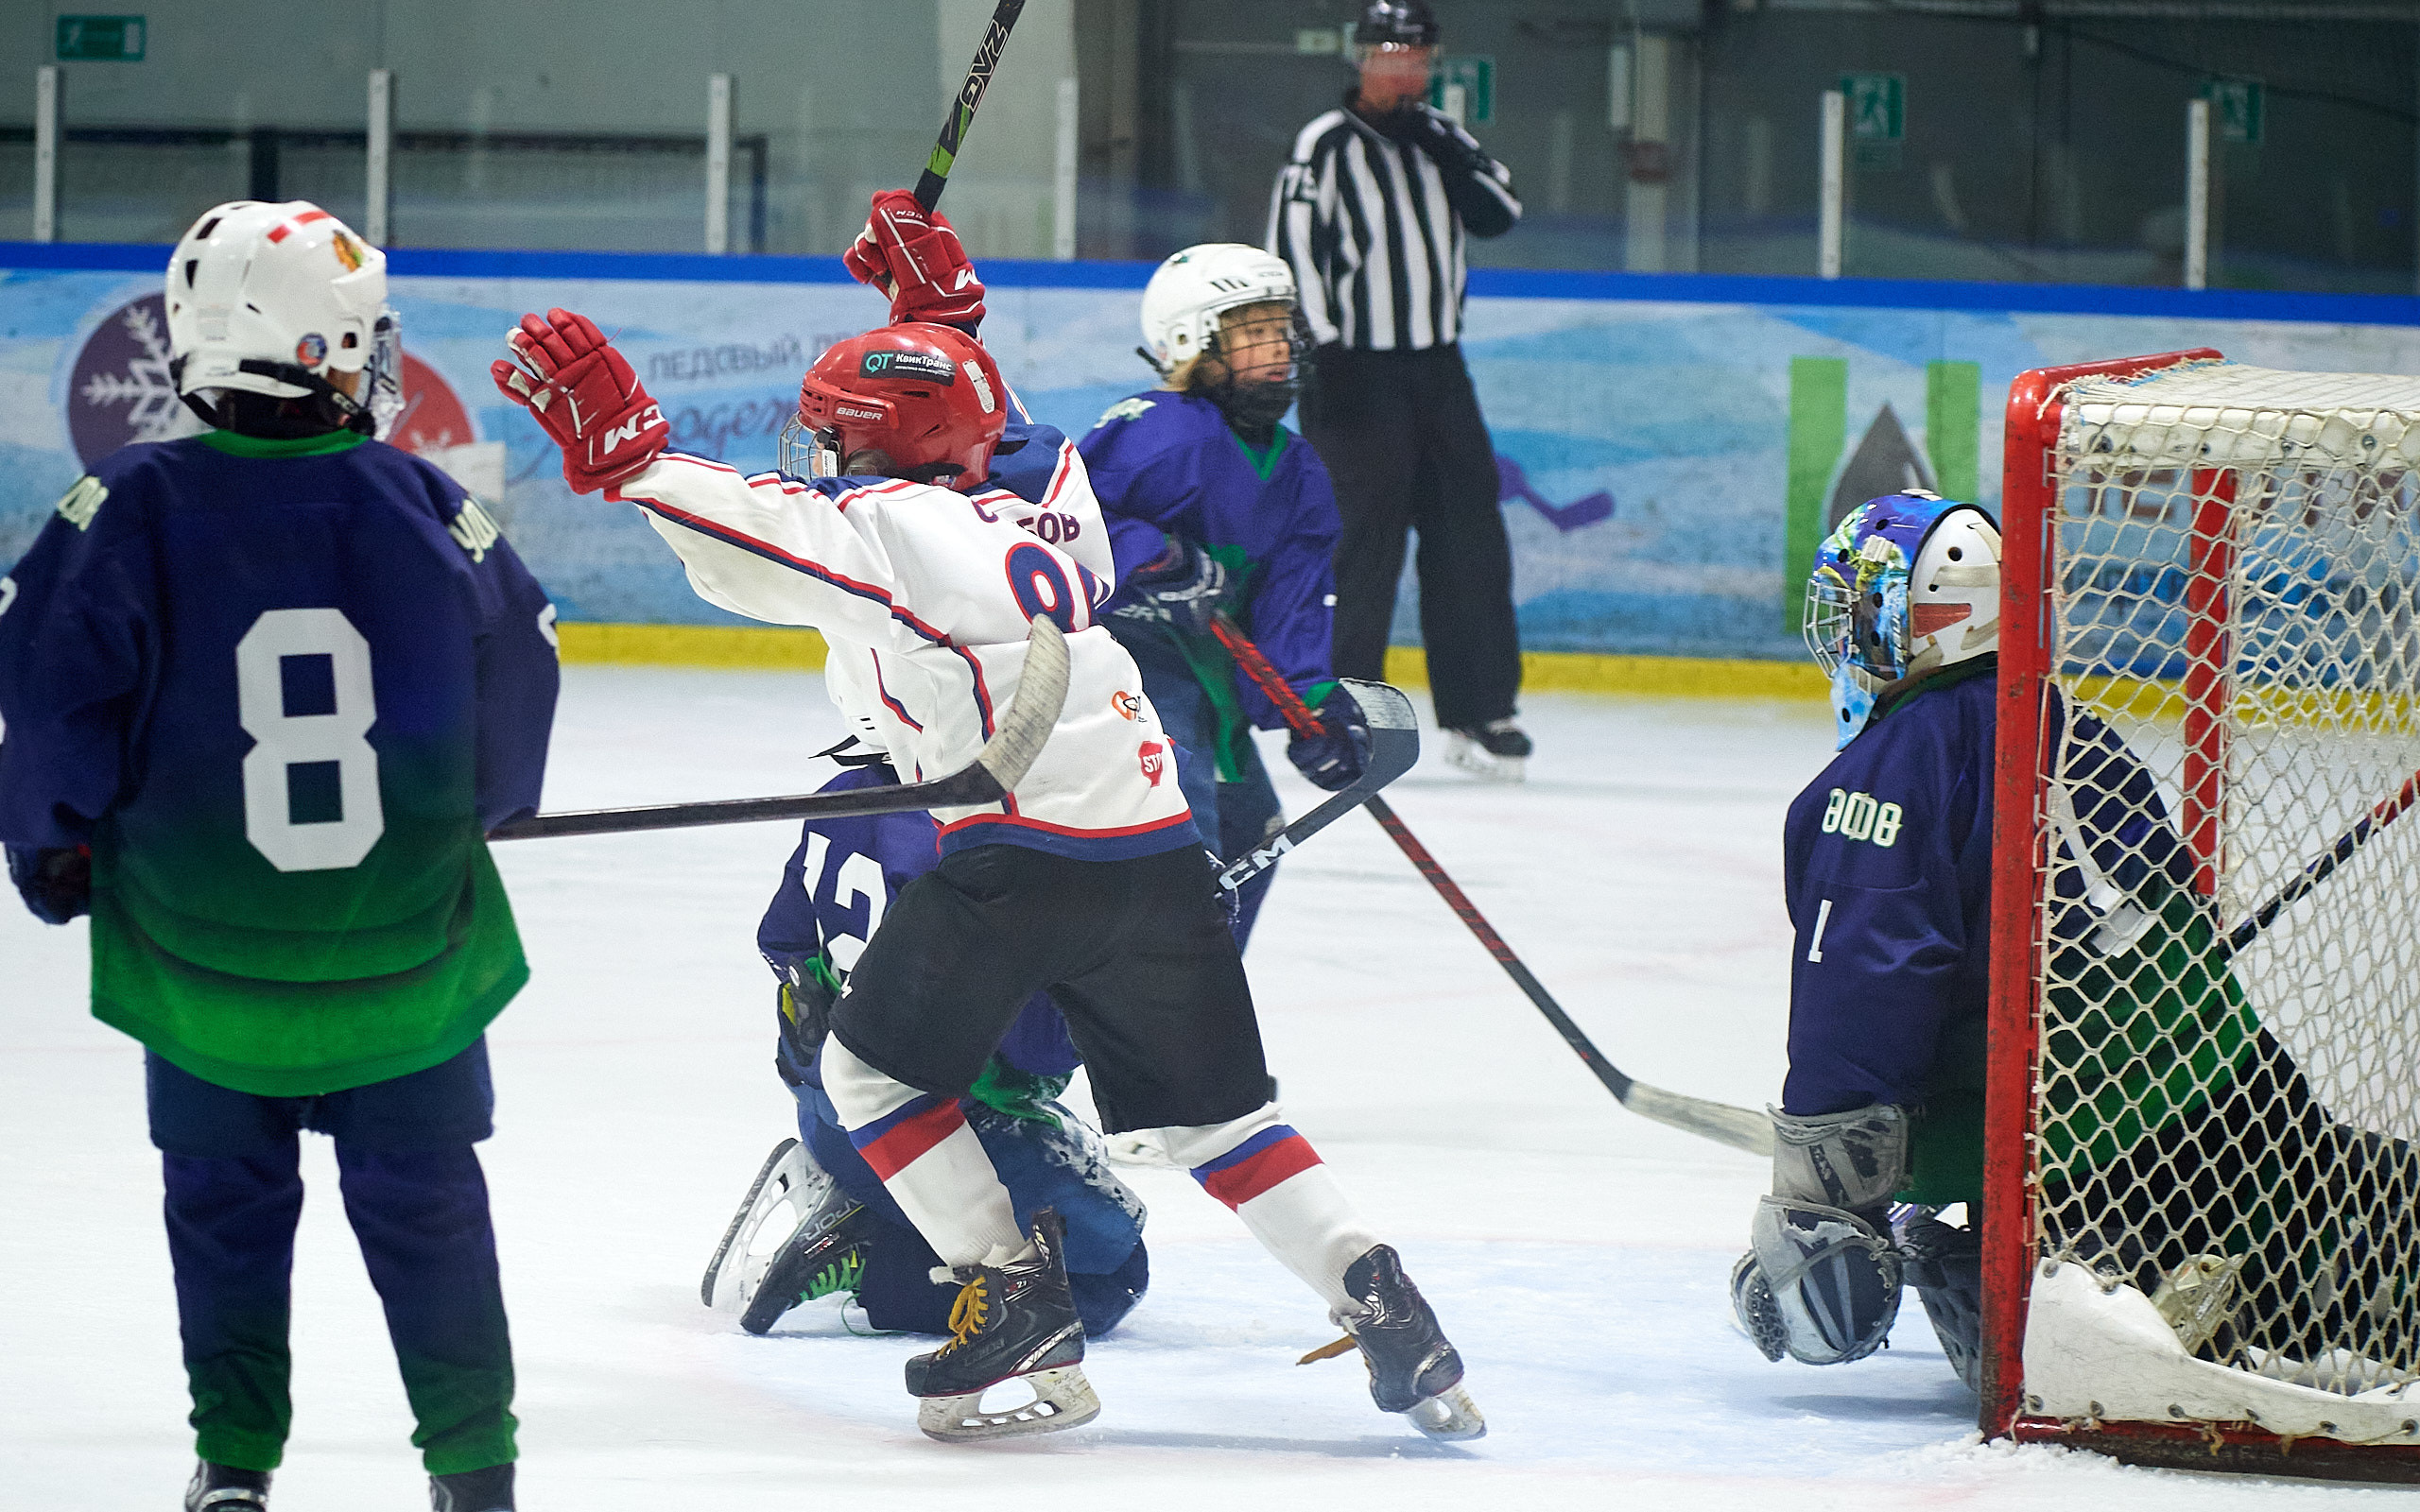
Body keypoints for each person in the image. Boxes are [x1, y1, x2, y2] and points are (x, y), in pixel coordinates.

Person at [488, 189, 1481, 1444]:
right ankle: (1388, 1307)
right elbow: (992, 426)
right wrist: (941, 321)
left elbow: (743, 526)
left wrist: (625, 454)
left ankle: (1011, 1293)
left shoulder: (883, 528)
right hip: (1161, 850)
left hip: (1018, 863)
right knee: (1225, 1123)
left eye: (839, 438)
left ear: (872, 453)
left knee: (870, 1072)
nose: (826, 458)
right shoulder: (1057, 494)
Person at [0, 199, 559, 1512]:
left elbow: (49, 698)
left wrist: (56, 850)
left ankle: (234, 1468)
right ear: (324, 348)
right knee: (429, 1215)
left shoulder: (123, 505)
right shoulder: (423, 499)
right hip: (405, 964)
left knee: (222, 1212)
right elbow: (522, 665)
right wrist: (474, 811)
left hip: (200, 972)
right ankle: (475, 1475)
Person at [1727, 491, 2378, 1395]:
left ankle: (2157, 1278)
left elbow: (1866, 1009)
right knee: (2333, 1220)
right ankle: (2327, 1246)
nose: (1843, 636)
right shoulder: (2072, 721)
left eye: (1856, 605)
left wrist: (1816, 1211)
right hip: (2245, 1090)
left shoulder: (1885, 773)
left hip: (2083, 1159)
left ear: (1907, 619)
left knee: (1970, 1280)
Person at [700, 720, 1150, 1343]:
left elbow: (782, 940)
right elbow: (1036, 1055)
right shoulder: (983, 849)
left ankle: (864, 1195)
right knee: (1111, 1275)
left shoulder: (842, 792)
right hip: (930, 1136)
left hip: (826, 1114)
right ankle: (870, 1255)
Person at [1267, 0, 1531, 780]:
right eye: (1388, 52)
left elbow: (1501, 212)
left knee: (1468, 537)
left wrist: (1446, 147)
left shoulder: (1439, 139)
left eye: (1415, 55)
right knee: (1359, 545)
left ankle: (1482, 708)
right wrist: (1322, 354)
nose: (1402, 67)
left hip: (1438, 367)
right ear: (1361, 57)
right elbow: (1290, 255)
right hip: (1355, 370)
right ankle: (1341, 707)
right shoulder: (1322, 146)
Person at [1080, 242, 1357, 948]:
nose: (1277, 350)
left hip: (1213, 688)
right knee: (1181, 848)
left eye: (1281, 330)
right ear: (1190, 340)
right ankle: (1150, 1040)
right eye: (1252, 333)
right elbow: (1057, 518)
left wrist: (1310, 708)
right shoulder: (1157, 433)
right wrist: (1154, 553)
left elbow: (1290, 607)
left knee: (1249, 840)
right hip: (1126, 672)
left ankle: (1200, 1040)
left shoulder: (1298, 473)